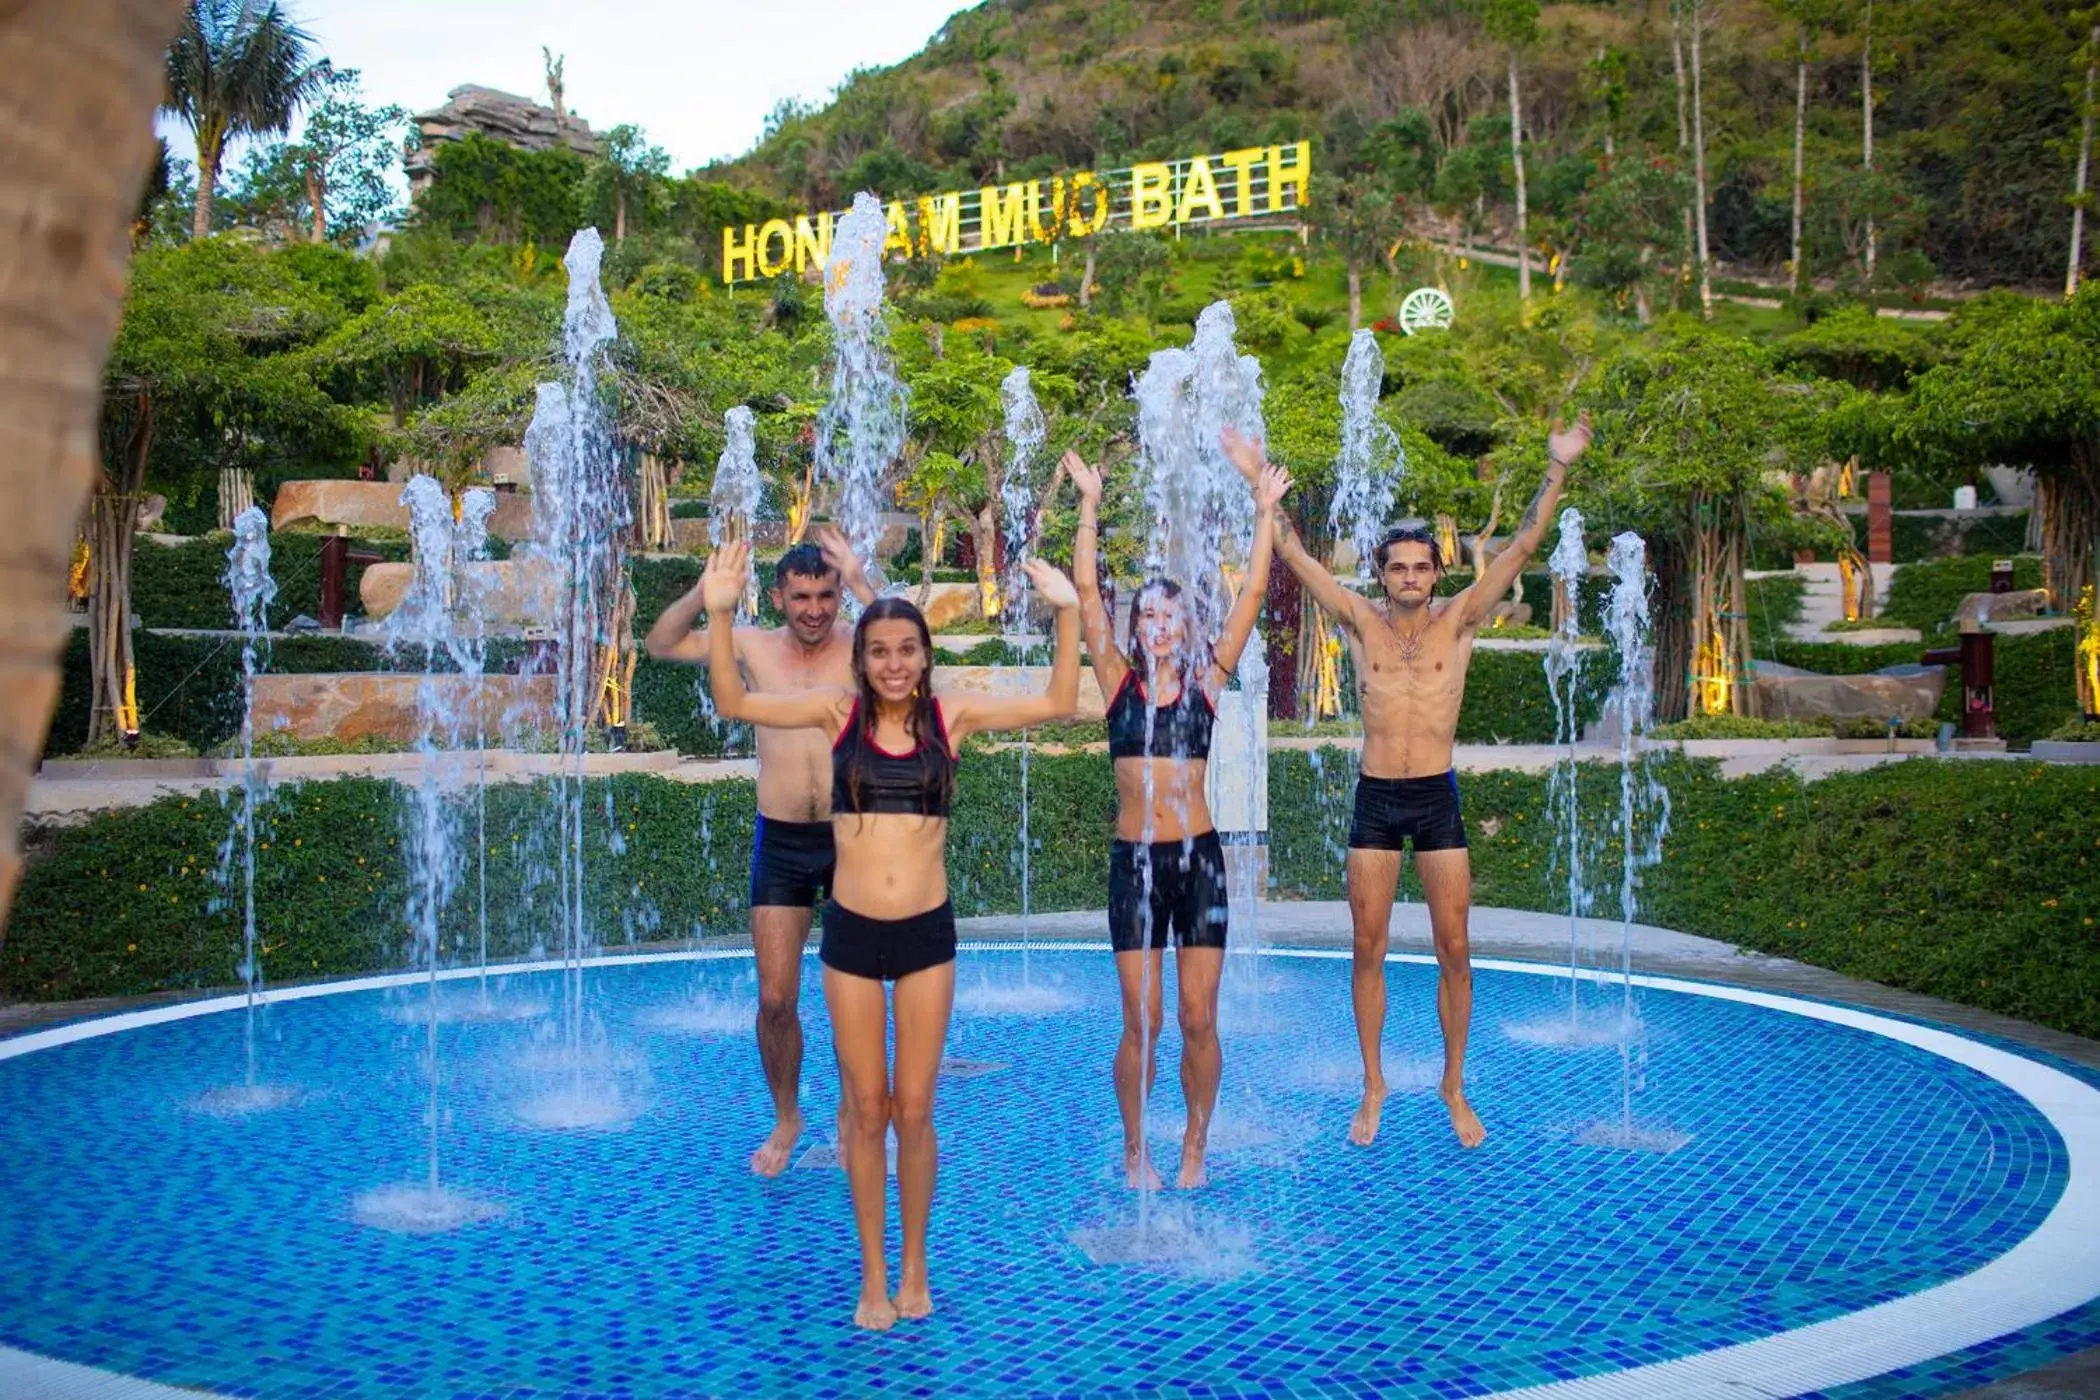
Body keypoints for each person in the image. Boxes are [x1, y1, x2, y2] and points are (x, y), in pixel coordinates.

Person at [701, 538, 1082, 1331]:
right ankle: (872, 1276)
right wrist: (719, 610)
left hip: (925, 939)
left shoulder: (954, 716)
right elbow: (735, 704)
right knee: (867, 1111)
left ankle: (914, 1267)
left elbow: (1058, 701)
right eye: (878, 651)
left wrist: (1069, 611)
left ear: (925, 655)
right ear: (862, 659)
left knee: (915, 1109)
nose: (893, 664)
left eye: (907, 649)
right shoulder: (836, 714)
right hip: (849, 938)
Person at [1226, 414, 1592, 1151]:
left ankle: (1453, 1084)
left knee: (1455, 950)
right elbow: (1294, 553)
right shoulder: (1359, 621)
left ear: (1436, 572)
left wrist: (1557, 470)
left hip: (1435, 798)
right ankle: (1373, 1083)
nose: (1410, 577)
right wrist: (1255, 476)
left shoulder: (1460, 622)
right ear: (1383, 573)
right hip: (1375, 799)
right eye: (1397, 567)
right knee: (1368, 949)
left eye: (1421, 567)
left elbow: (1523, 545)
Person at [1055, 447, 1292, 1190]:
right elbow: (1087, 594)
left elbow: (1252, 594)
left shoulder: (1207, 685)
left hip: (1199, 864)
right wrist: (1089, 505)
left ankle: (1195, 1142)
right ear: (1136, 629)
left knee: (1197, 1019)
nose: (1158, 625)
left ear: (1189, 628)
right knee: (1143, 1022)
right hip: (1134, 864)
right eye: (1147, 615)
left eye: (1171, 615)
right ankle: (1135, 1148)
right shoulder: (1117, 683)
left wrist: (1264, 513)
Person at [642, 526, 877, 1177]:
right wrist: (705, 594)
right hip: (781, 841)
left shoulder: (861, 645)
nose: (814, 610)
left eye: (826, 596)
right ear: (778, 596)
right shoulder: (750, 644)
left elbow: (912, 643)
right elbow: (659, 643)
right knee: (776, 999)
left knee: (854, 995)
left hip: (851, 838)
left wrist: (862, 581)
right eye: (801, 596)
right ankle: (787, 1115)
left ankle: (855, 1114)